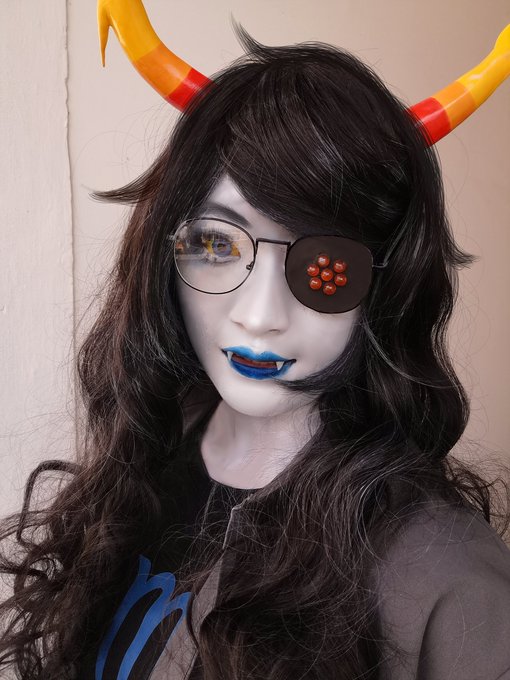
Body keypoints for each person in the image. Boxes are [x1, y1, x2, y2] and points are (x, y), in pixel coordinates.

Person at [1, 7, 510, 679]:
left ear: (388, 287)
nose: (261, 316)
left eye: (325, 266)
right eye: (216, 244)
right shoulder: (145, 459)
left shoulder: (446, 581)